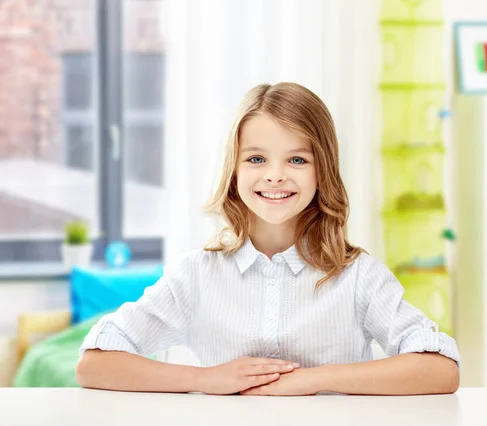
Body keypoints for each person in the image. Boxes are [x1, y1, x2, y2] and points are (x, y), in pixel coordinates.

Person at [75, 82, 460, 396]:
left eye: (297, 159)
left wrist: (314, 380)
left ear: (322, 171)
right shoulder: (195, 274)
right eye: (257, 159)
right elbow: (94, 363)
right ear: (235, 170)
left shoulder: (358, 276)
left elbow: (441, 370)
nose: (275, 175)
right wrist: (204, 380)